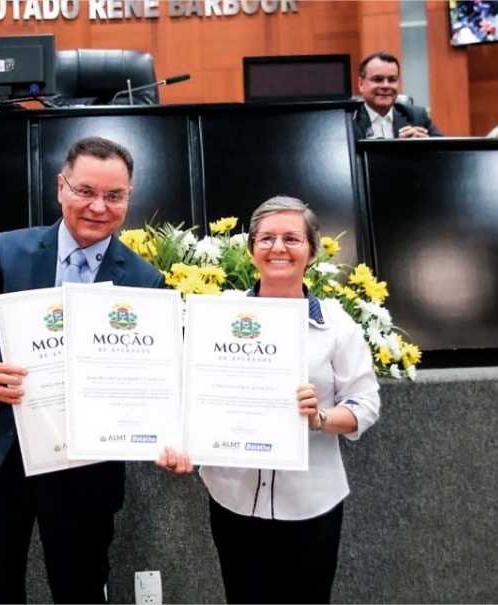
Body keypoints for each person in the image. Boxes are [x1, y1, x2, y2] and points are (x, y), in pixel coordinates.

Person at [0, 136, 164, 604]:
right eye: (85, 191)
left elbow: (152, 374)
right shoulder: (7, 252)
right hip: (0, 456)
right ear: (61, 187)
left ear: (128, 198)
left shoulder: (145, 281)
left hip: (86, 467)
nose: (98, 207)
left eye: (114, 195)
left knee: (81, 590)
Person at [158, 196, 381, 604]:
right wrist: (178, 442)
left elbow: (365, 405)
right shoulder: (217, 315)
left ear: (311, 252)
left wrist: (321, 418)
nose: (278, 248)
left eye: (292, 238)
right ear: (251, 249)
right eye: (267, 238)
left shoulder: (335, 323)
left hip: (312, 503)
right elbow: (187, 389)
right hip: (234, 497)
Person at [353, 51, 442, 140]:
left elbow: (449, 152)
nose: (386, 86)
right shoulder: (348, 121)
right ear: (361, 84)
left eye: (392, 80)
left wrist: (426, 146)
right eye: (378, 79)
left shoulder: (417, 117)